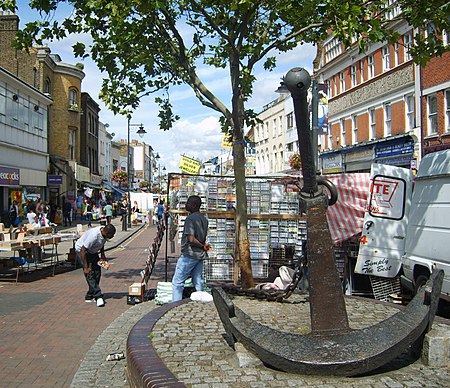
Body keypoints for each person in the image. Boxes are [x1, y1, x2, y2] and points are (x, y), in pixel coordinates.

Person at [172, 195, 210, 302]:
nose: (186, 204)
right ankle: (201, 302)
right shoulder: (204, 219)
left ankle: (175, 304)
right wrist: (203, 246)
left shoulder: (190, 219)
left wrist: (202, 246)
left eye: (188, 203)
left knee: (177, 282)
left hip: (189, 254)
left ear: (193, 205)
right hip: (200, 255)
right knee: (198, 280)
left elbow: (191, 239)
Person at [75, 224, 116, 307]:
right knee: (90, 274)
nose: (113, 236)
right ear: (107, 232)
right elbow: (83, 250)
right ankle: (98, 295)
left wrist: (102, 254)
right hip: (82, 251)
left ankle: (90, 295)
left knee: (97, 272)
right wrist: (86, 267)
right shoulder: (93, 236)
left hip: (92, 251)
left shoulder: (104, 234)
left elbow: (101, 242)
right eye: (112, 235)